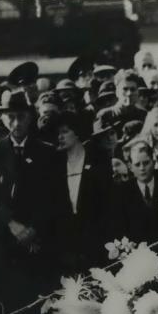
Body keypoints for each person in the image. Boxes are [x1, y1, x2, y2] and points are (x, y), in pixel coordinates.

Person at [0, 90, 71, 279]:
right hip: (4, 237)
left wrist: (33, 229)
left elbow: (56, 196)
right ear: (2, 118)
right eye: (10, 117)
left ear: (30, 117)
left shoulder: (48, 152)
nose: (16, 123)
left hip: (38, 239)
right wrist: (12, 224)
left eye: (21, 117)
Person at [53, 111, 113, 270]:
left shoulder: (98, 159)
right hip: (67, 246)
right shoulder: (56, 164)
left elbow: (107, 203)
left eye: (65, 132)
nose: (60, 136)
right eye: (58, 133)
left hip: (97, 240)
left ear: (77, 132)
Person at [109, 140, 158, 250]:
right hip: (139, 255)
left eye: (146, 163)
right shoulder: (123, 192)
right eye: (137, 164)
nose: (142, 168)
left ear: (153, 161)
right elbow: (120, 227)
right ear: (130, 166)